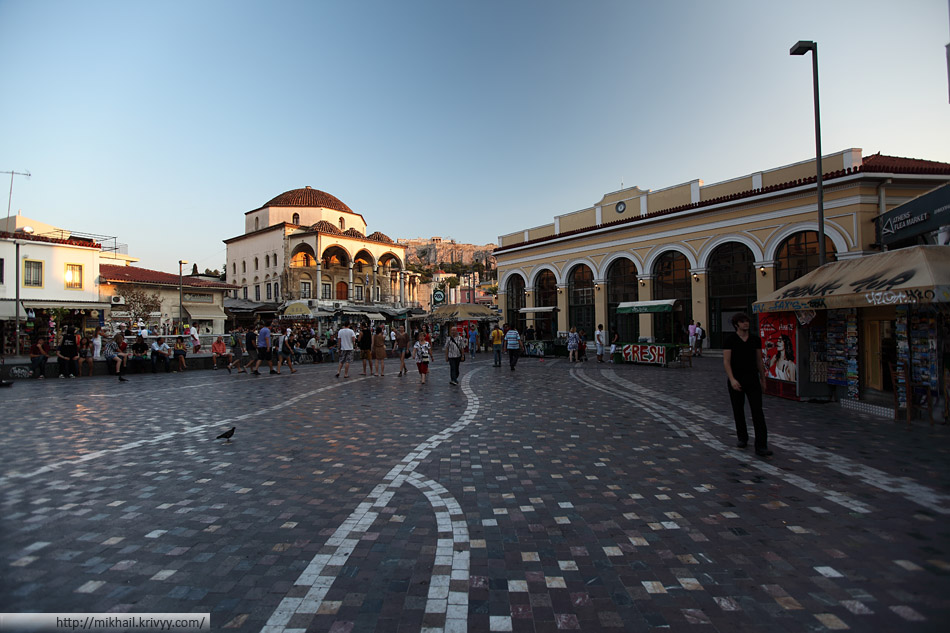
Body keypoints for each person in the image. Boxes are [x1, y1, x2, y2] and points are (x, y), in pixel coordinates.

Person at [723, 312, 771, 457]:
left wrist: (763, 379)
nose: (746, 324)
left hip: (752, 378)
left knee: (757, 411)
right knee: (738, 410)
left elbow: (759, 361)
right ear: (736, 324)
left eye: (747, 321)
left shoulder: (755, 340)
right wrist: (732, 379)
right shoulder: (730, 339)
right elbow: (726, 361)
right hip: (737, 378)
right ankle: (742, 437)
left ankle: (761, 445)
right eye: (742, 322)